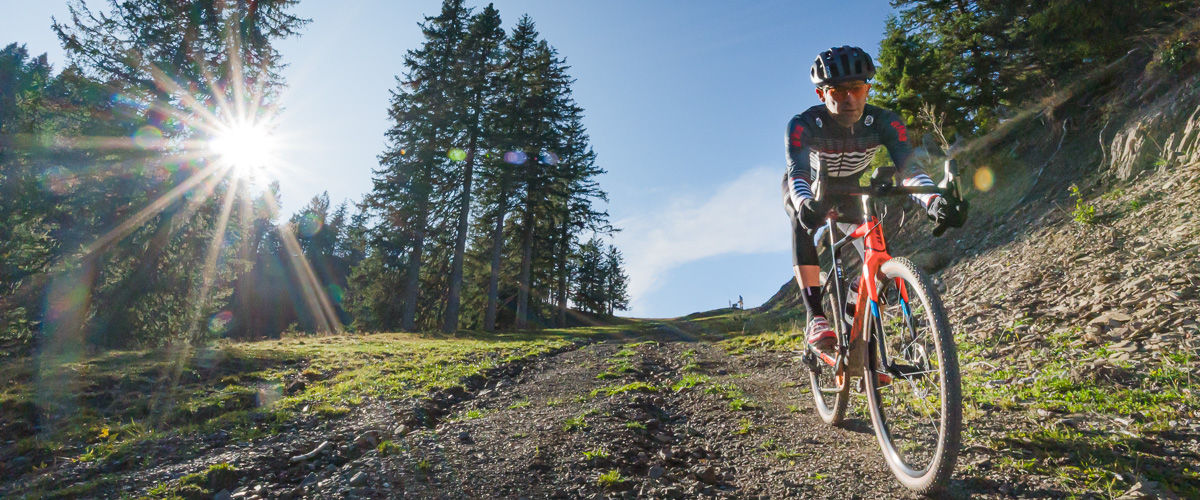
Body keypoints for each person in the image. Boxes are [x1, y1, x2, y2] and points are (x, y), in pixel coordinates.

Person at [782, 46, 966, 355]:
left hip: (851, 187)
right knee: (800, 222)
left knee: (877, 252)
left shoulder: (884, 121)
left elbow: (909, 170)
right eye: (838, 91)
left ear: (868, 88)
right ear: (821, 94)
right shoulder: (803, 124)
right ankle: (815, 315)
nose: (849, 98)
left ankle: (859, 301)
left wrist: (934, 201)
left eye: (856, 88)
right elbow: (797, 173)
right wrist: (805, 205)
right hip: (810, 185)